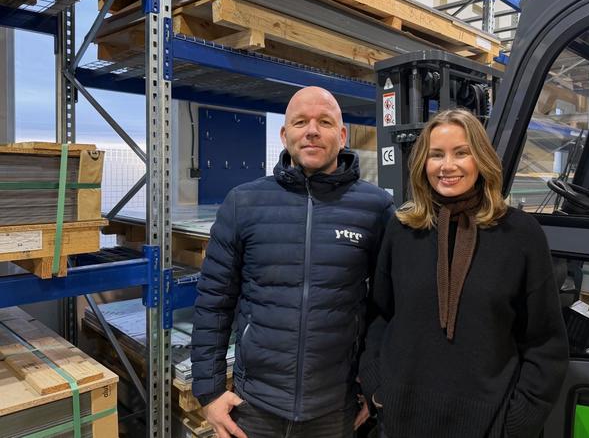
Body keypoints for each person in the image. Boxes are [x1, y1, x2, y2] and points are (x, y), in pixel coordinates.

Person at [191, 86, 394, 438]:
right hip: (255, 406)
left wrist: (374, 381)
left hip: (335, 407)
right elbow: (214, 302)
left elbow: (386, 307)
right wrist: (209, 391)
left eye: (324, 122)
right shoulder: (243, 203)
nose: (312, 130)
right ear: (285, 135)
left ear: (342, 135)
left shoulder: (375, 208)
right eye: (301, 122)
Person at [359, 109, 569, 438]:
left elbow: (545, 342)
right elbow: (379, 316)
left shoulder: (521, 235)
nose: (447, 166)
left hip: (488, 428)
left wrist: (517, 423)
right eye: (436, 154)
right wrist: (377, 388)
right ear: (422, 163)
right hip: (401, 424)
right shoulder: (402, 230)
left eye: (461, 153)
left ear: (481, 159)